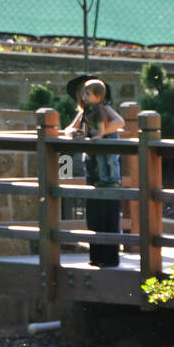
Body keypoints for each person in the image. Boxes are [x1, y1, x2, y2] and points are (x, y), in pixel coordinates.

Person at [63, 76, 125, 267]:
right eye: (83, 93)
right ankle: (96, 257)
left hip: (108, 173)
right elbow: (69, 129)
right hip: (93, 170)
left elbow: (119, 122)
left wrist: (100, 134)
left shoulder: (103, 109)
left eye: (87, 93)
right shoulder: (85, 114)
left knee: (110, 215)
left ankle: (111, 258)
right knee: (94, 215)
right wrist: (75, 133)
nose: (84, 96)